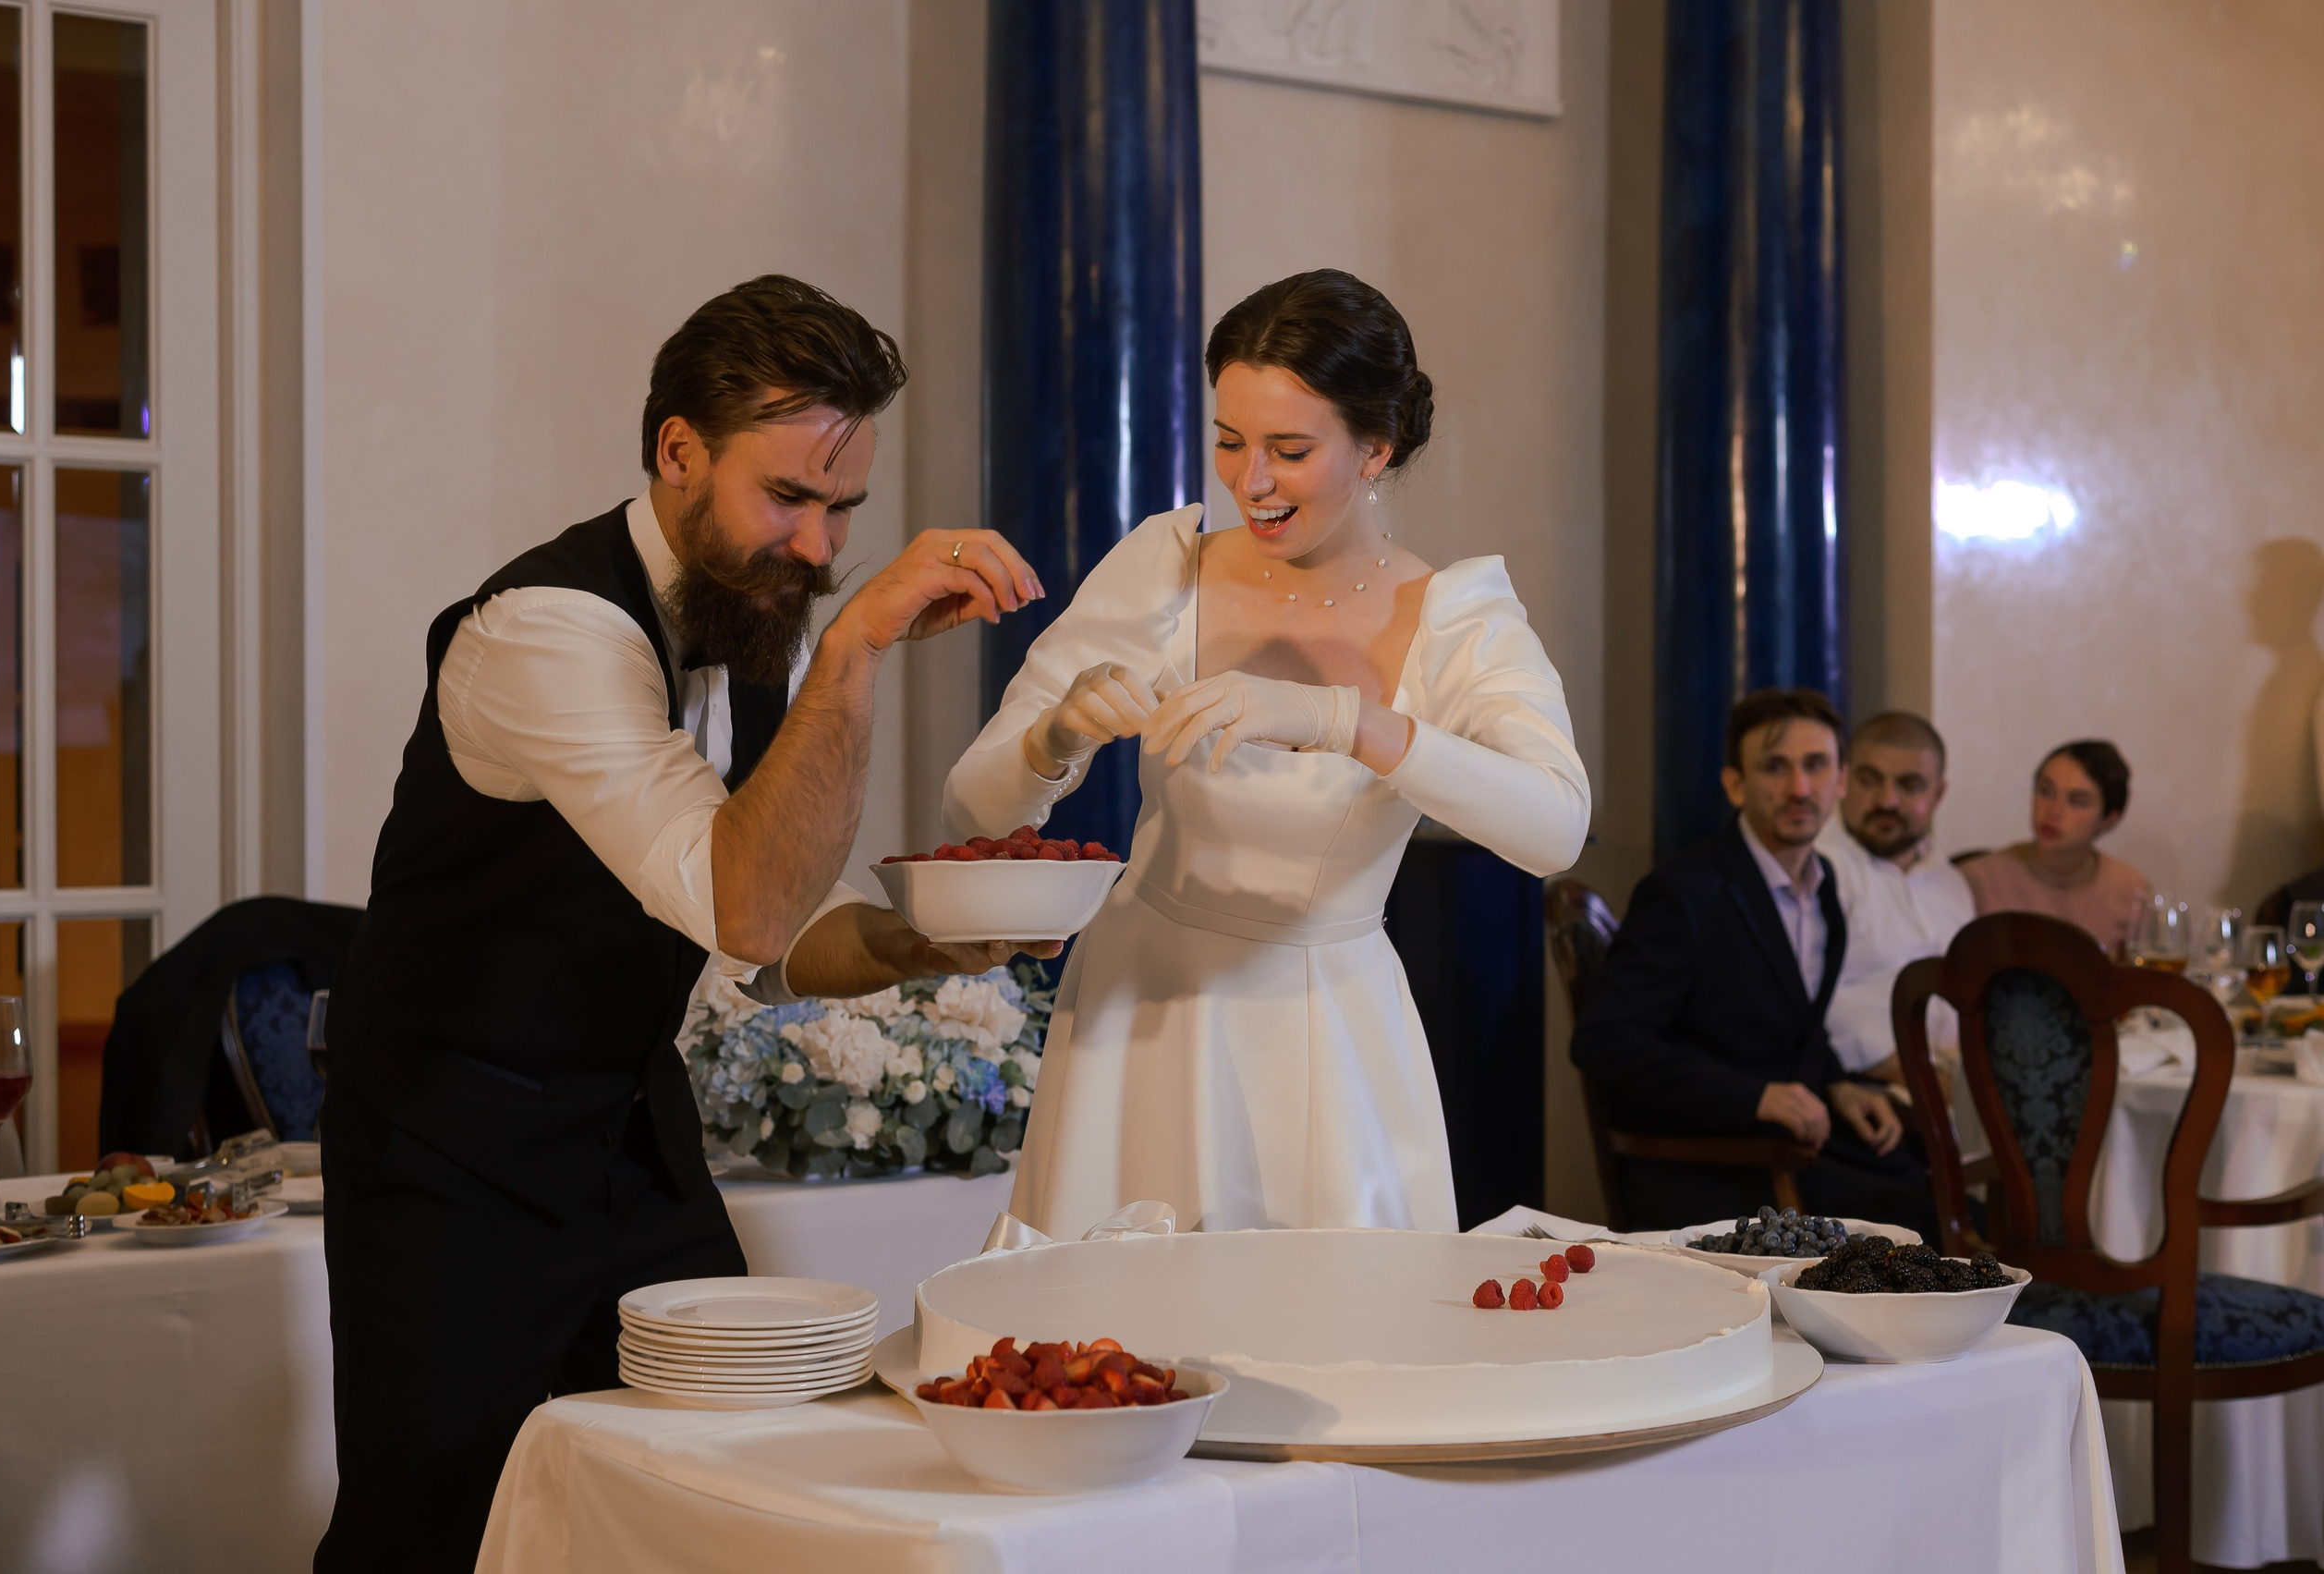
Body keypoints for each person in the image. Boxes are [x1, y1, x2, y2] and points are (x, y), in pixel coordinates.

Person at [318, 276, 1054, 1572]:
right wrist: (860, 647)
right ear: (675, 451)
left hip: (627, 1135)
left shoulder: (744, 611)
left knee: (727, 1482)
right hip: (449, 1152)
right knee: (433, 1526)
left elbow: (768, 937)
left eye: (844, 511)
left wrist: (927, 941)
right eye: (790, 497)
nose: (823, 549)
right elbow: (746, 893)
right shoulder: (546, 628)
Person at [943, 269, 1590, 1239]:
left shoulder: (1455, 618)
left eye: (1290, 450)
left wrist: (1346, 721)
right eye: (1228, 441)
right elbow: (972, 813)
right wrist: (1055, 734)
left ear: (1376, 447)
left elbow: (1557, 828)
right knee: (1110, 1351)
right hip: (1139, 1012)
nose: (1249, 481)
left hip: (1324, 1031)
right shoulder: (1164, 566)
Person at [1570, 689, 1937, 1239]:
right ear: (1735, 784)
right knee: (1923, 1215)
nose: (1799, 789)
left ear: (1841, 780)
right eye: (1775, 768)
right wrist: (1758, 1097)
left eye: (1816, 766)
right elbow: (1604, 1041)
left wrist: (1839, 1085)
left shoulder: (1824, 882)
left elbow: (1791, 1021)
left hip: (1789, 1145)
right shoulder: (1683, 892)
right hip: (1713, 1161)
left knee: (1932, 1171)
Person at [1815, 711, 1976, 1084]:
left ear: (1938, 795)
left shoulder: (1950, 880)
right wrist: (1921, 1079)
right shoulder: (1817, 871)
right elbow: (1805, 1001)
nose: (1887, 801)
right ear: (1843, 779)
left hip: (1955, 1082)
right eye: (1869, 781)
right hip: (1859, 1089)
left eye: (1910, 785)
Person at [1961, 738, 2150, 954]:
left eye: (2077, 801)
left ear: (2108, 819)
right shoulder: (1979, 880)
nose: (2054, 811)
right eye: (2046, 791)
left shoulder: (2131, 891)